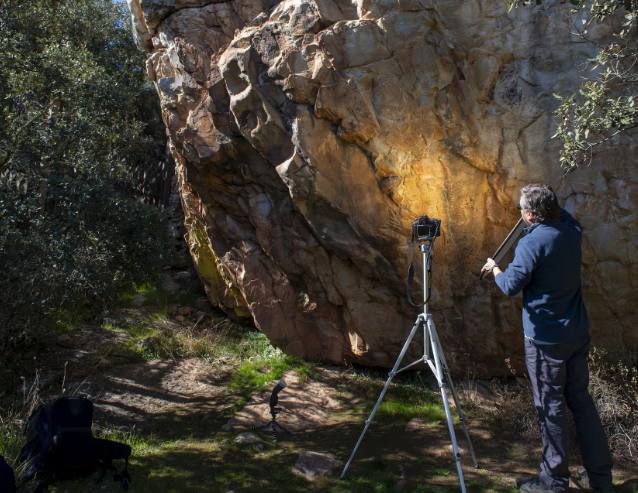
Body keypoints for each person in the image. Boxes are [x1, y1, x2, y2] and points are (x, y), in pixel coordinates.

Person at [482, 184, 613, 493]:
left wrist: (495, 268)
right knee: (581, 402)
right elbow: (561, 215)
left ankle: (553, 482)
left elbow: (511, 285)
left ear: (529, 215)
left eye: (521, 209)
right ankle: (600, 478)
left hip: (545, 342)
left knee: (550, 408)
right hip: (577, 334)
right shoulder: (571, 231)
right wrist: (546, 199)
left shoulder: (532, 243)